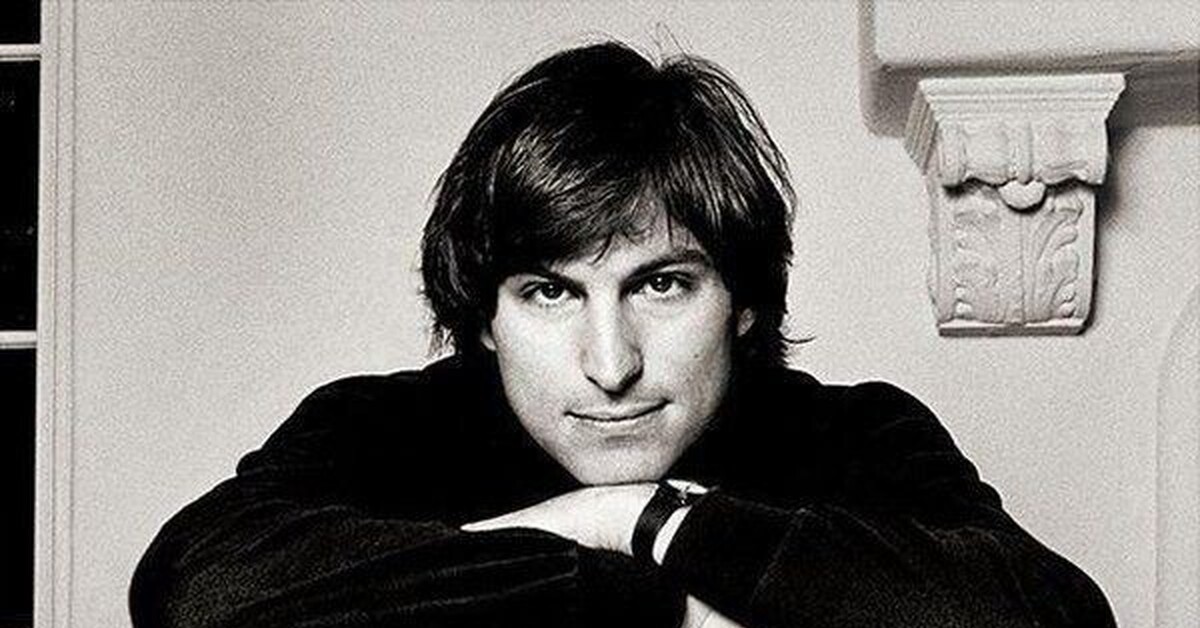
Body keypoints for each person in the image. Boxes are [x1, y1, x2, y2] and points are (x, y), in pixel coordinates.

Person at [130, 42, 1116, 628]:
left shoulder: (853, 437)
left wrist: (649, 518)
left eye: (662, 284)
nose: (611, 366)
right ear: (485, 316)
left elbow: (1049, 617)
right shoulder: (387, 430)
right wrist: (649, 594)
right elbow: (199, 593)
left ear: (743, 300)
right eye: (550, 293)